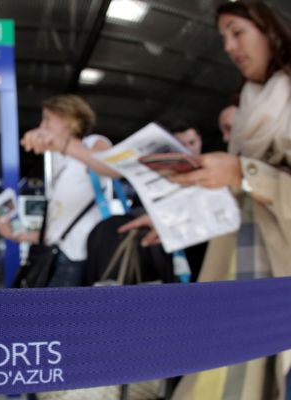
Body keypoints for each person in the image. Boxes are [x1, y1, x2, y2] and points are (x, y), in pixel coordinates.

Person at [119, 1, 291, 398]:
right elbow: (241, 200)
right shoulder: (251, 104)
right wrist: (173, 220)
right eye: (223, 38)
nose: (229, 47)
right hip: (243, 274)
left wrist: (244, 172)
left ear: (272, 28)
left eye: (237, 31)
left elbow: (250, 182)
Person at [0, 94, 114, 288]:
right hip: (59, 255)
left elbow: (111, 167)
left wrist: (63, 145)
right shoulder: (56, 160)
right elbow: (57, 228)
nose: (42, 125)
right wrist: (16, 233)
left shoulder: (93, 143)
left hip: (82, 257)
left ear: (72, 119)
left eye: (48, 118)